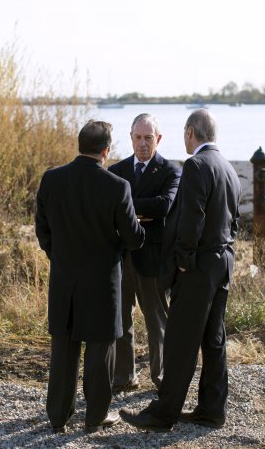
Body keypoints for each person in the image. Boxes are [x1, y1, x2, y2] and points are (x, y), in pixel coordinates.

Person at [119, 108, 241, 432]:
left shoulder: (196, 166)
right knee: (214, 339)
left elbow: (192, 218)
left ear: (190, 132)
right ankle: (211, 409)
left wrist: (183, 263)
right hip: (223, 262)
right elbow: (235, 220)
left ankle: (162, 413)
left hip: (199, 266)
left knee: (180, 340)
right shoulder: (228, 167)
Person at [35, 120, 145, 434]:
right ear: (106, 151)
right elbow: (134, 238)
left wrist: (59, 256)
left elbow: (42, 230)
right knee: (100, 351)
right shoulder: (116, 186)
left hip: (64, 280)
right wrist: (135, 227)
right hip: (103, 282)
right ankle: (95, 416)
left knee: (64, 349)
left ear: (80, 144)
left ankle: (58, 416)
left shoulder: (51, 179)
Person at [108, 113, 181, 392]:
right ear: (130, 138)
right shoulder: (117, 170)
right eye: (138, 138)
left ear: (158, 139)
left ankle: (161, 376)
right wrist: (139, 212)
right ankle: (124, 376)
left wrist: (126, 208)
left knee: (157, 320)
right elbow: (109, 208)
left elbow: (164, 206)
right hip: (122, 257)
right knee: (121, 320)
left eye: (148, 138)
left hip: (153, 259)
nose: (142, 144)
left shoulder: (170, 171)